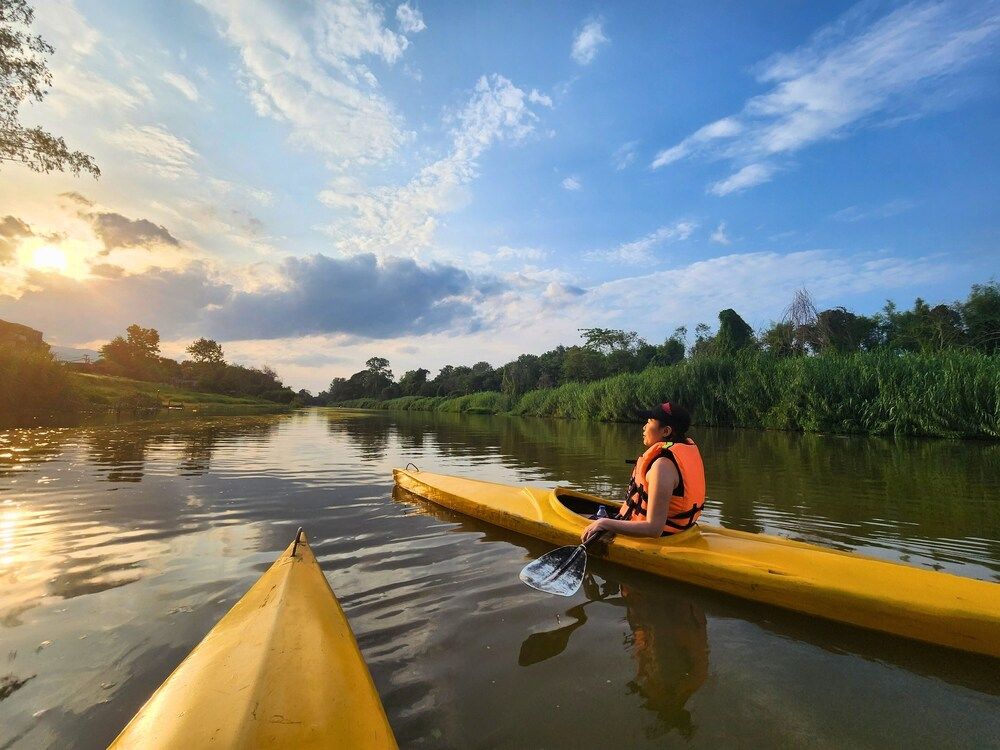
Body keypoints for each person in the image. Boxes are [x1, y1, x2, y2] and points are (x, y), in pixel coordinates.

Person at [581, 401, 705, 543]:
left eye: (649, 422)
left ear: (666, 431)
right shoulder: (678, 454)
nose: (644, 427)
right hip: (681, 531)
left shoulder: (662, 467)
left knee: (595, 520)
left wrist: (604, 523)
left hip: (661, 538)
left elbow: (654, 529)